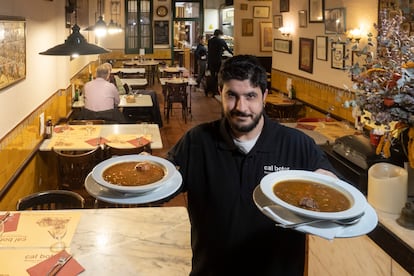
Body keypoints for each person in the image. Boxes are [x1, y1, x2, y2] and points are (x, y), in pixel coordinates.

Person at [167, 55, 337, 275]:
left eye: (250, 96)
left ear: (264, 96)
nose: (241, 107)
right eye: (232, 95)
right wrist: (150, 170)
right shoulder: (197, 141)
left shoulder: (297, 144)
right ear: (221, 92)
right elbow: (164, 183)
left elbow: (331, 186)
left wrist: (327, 183)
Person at [207, 29, 233, 96]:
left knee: (212, 76)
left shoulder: (210, 41)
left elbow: (209, 50)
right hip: (217, 60)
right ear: (219, 34)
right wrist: (233, 53)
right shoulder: (221, 41)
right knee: (217, 75)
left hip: (210, 60)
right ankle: (216, 91)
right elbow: (227, 48)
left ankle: (211, 91)